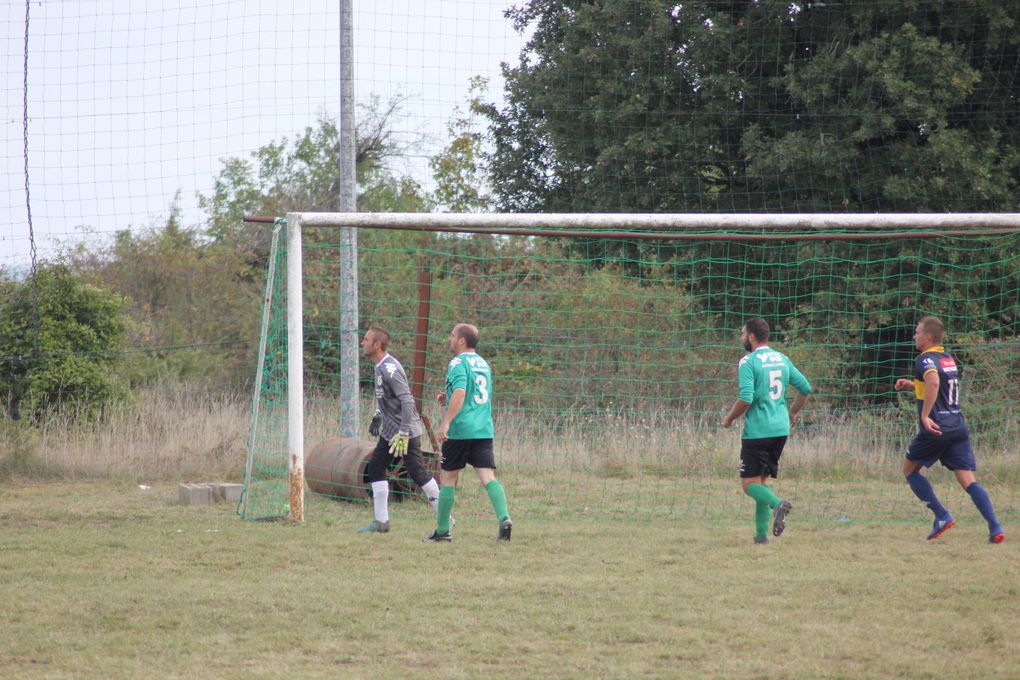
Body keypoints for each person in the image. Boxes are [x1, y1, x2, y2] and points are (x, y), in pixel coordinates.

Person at [893, 316, 1005, 543]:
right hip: (957, 426)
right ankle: (995, 528)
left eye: (916, 332)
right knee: (968, 480)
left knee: (909, 471)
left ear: (927, 337)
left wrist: (924, 416)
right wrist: (912, 385)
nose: (914, 336)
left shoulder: (923, 360)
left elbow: (934, 383)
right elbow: (938, 385)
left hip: (936, 428)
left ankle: (942, 516)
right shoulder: (947, 359)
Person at [722, 318, 812, 544]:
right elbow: (805, 388)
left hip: (759, 432)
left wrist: (729, 419)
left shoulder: (748, 361)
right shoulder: (782, 359)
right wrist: (792, 413)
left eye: (743, 333)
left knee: (749, 485)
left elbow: (745, 399)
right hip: (780, 430)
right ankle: (761, 537)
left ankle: (778, 504)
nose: (742, 337)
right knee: (761, 482)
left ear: (751, 336)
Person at [424, 323, 512, 543]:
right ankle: (505, 518)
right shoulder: (483, 363)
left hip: (461, 430)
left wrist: (445, 423)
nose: (450, 338)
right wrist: (449, 395)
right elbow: (472, 393)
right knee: (488, 477)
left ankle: (443, 530)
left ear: (462, 340)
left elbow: (462, 393)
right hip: (483, 429)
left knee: (448, 478)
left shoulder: (457, 362)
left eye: (452, 335)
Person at [357, 326, 443, 534]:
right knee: (376, 468)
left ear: (377, 345)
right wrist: (378, 414)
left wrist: (404, 431)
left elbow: (406, 399)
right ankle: (381, 522)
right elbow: (388, 398)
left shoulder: (390, 369)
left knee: (418, 473)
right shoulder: (379, 366)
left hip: (405, 433)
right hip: (390, 432)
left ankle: (446, 519)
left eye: (366, 339)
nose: (362, 343)